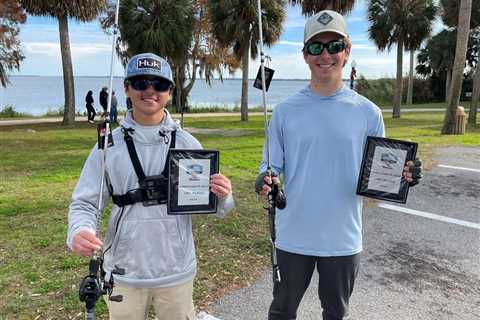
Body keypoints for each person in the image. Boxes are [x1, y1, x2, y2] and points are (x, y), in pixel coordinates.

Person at [255, 11, 422, 320]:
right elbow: (271, 166)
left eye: (334, 45)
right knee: (281, 311)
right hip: (293, 234)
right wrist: (265, 179)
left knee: (336, 314)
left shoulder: (369, 113)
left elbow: (379, 177)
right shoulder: (284, 111)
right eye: (316, 48)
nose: (325, 55)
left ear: (347, 51)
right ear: (305, 55)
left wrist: (403, 177)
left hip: (343, 237)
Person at [68, 53, 235, 320]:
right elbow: (85, 203)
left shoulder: (188, 144)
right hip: (124, 271)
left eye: (159, 84)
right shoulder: (107, 145)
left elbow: (217, 209)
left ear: (169, 91)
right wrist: (79, 230)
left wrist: (223, 196)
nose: (150, 91)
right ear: (126, 89)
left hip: (176, 269)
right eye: (140, 83)